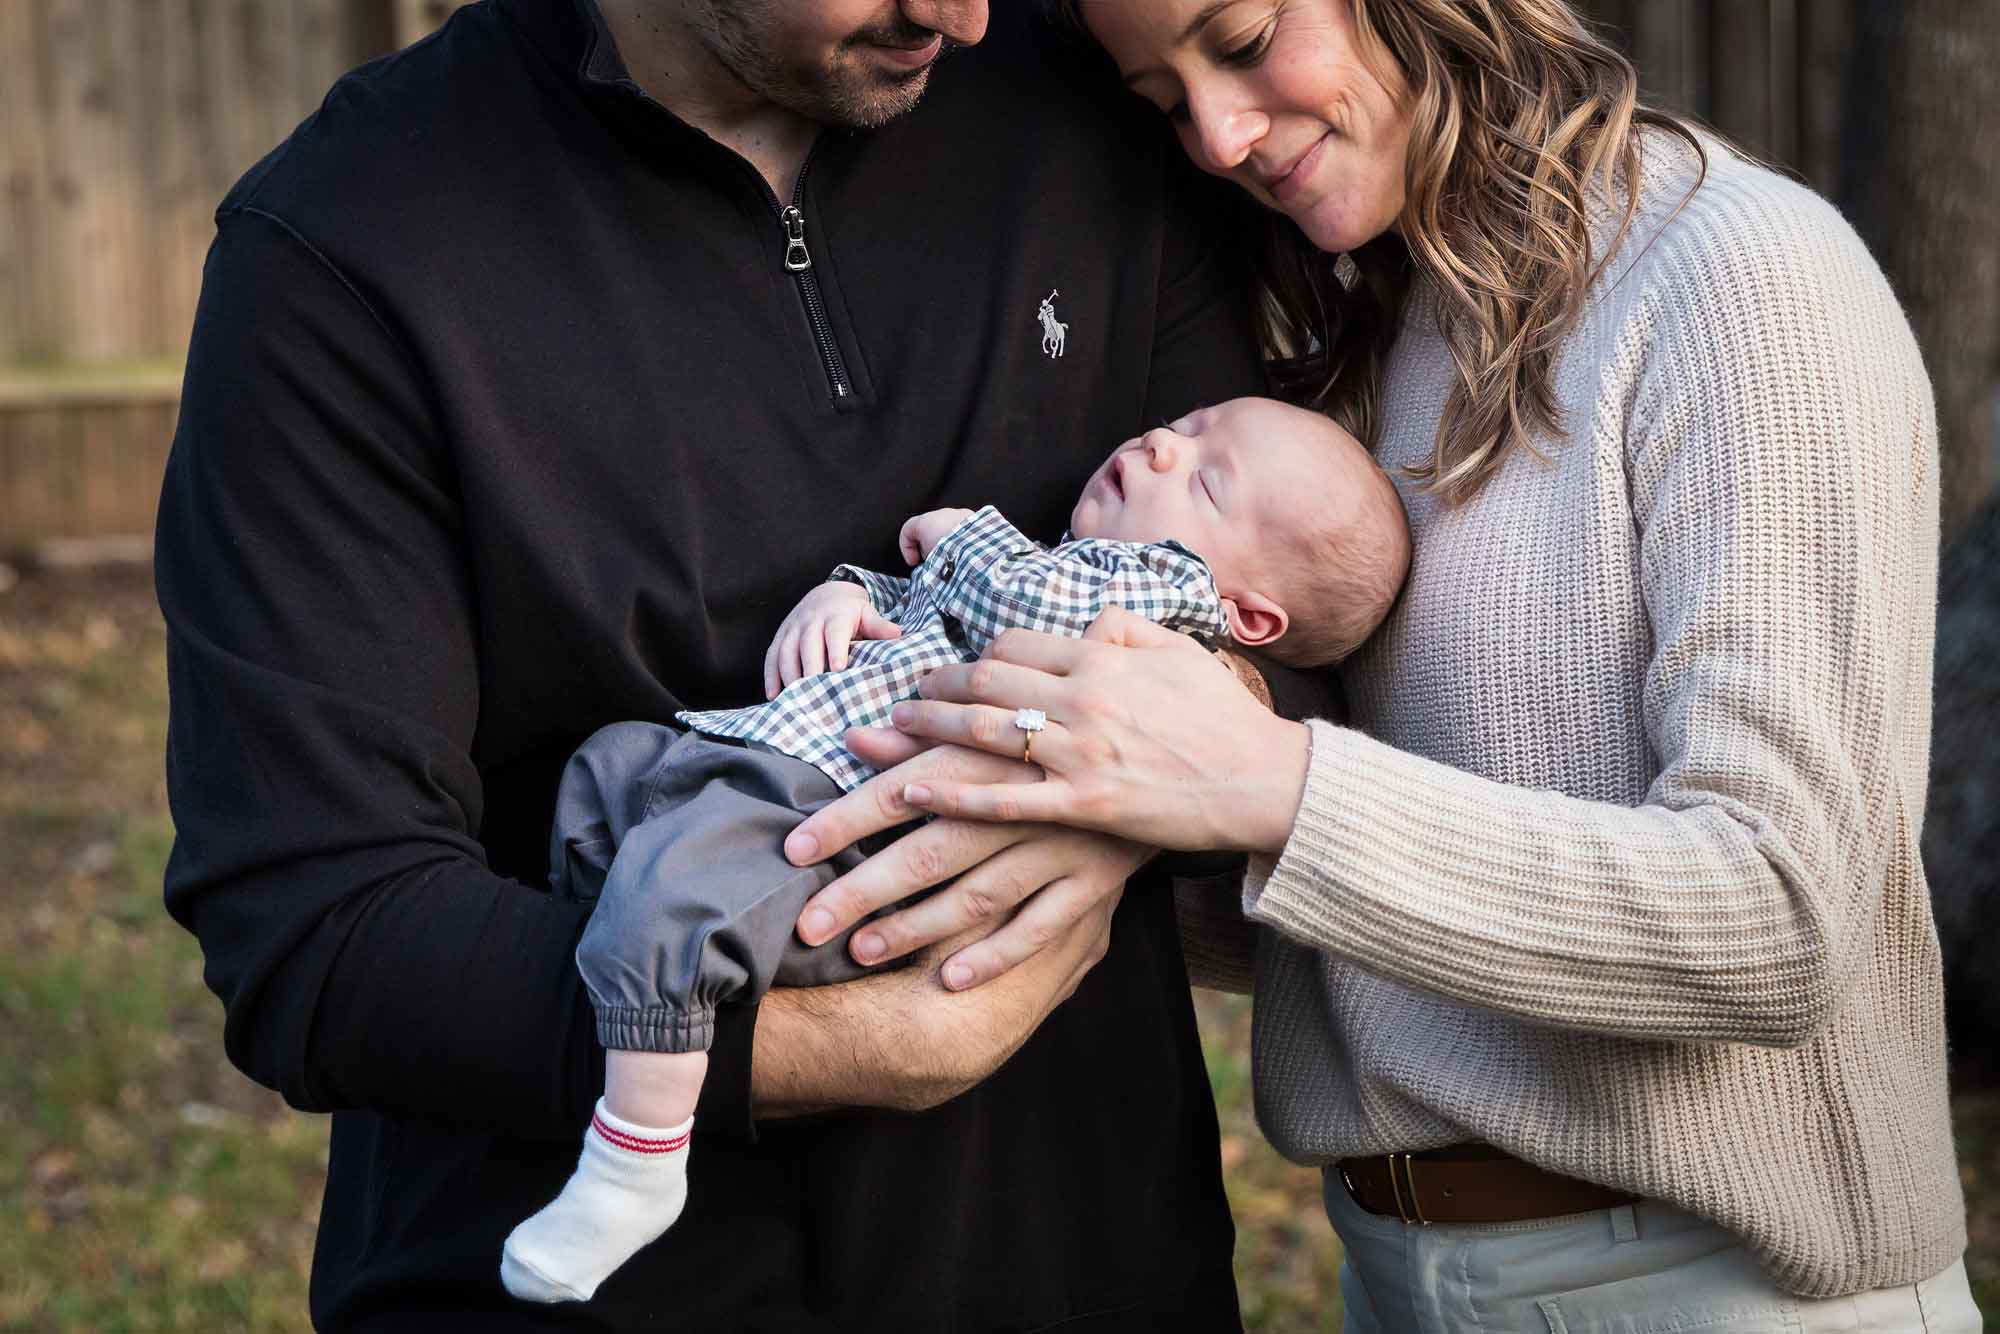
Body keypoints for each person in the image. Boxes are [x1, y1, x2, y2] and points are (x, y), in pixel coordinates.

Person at [784, 0, 1982, 1328]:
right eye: (1163, 100)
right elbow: (1379, 924)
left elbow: (1780, 914)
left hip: (1710, 1285)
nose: (1219, 137)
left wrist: (1271, 784)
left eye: (1238, 42)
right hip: (1400, 1269)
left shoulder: (1739, 273)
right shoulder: (1369, 336)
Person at [153, 1, 1309, 1327]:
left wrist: (1116, 794)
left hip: (1096, 1262)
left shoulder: (1098, 114)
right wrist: (835, 1048)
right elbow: (320, 928)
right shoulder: (348, 250)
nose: (962, 13)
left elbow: (1286, 617)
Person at [501, 398, 1409, 1303]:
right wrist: (851, 595)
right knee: (607, 774)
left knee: (676, 906)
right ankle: (628, 965)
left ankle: (635, 1157)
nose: (1166, 445)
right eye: (1194, 423)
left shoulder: (1154, 616)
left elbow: (1019, 599)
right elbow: (924, 608)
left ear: (1246, 619)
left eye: (1209, 482)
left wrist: (958, 535)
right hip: (766, 760)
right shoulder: (1053, 559)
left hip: (838, 821)